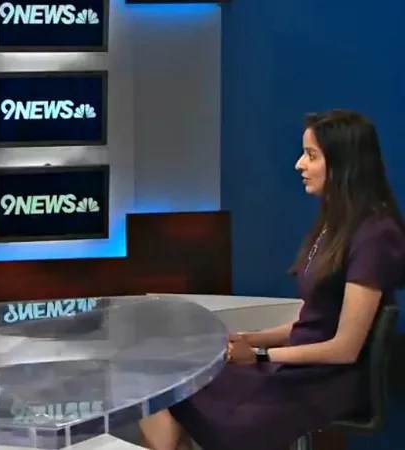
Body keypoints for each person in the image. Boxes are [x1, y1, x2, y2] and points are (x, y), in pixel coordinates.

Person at [138, 109, 405, 450]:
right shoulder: (335, 225)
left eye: (311, 156)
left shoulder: (376, 235)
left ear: (344, 164)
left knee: (180, 397)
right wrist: (249, 338)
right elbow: (315, 321)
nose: (299, 165)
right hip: (294, 370)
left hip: (324, 381)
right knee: (160, 385)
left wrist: (260, 355)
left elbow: (344, 348)